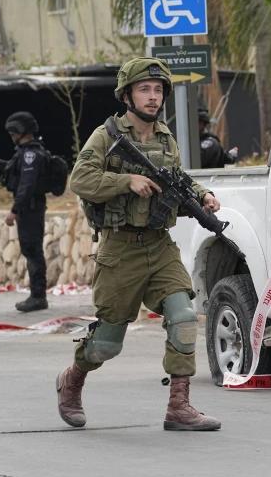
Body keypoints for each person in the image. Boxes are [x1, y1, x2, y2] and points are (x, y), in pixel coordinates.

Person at [56, 57, 222, 431]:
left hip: (160, 247)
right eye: (144, 89)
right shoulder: (107, 136)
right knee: (107, 344)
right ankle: (72, 380)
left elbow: (178, 178)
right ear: (127, 94)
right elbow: (80, 179)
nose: (152, 97)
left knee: (182, 318)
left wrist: (203, 195)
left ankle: (179, 407)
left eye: (158, 90)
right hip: (120, 251)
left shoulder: (165, 137)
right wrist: (125, 181)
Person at [0, 111, 50, 312]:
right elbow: (18, 171)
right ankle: (37, 295)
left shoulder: (31, 154)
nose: (11, 136)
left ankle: (38, 297)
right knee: (31, 250)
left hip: (30, 210)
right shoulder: (26, 153)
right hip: (29, 208)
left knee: (33, 251)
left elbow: (26, 185)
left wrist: (14, 211)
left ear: (21, 131)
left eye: (13, 132)